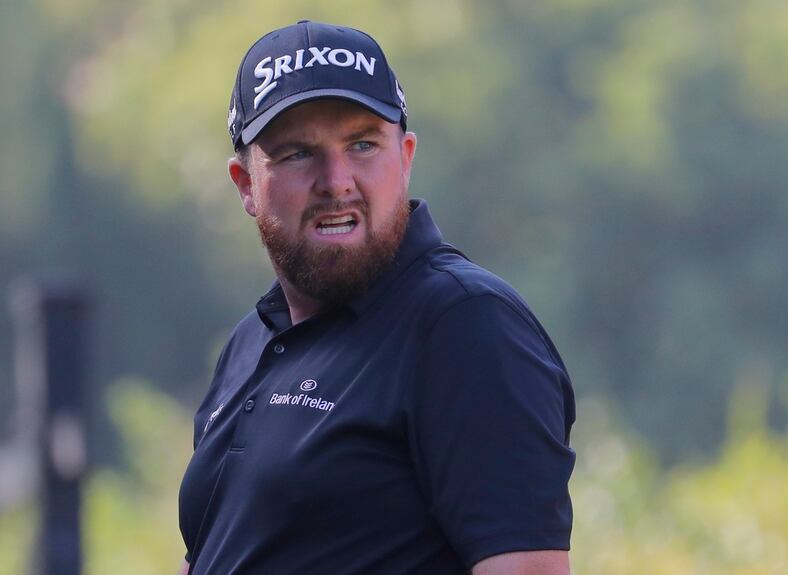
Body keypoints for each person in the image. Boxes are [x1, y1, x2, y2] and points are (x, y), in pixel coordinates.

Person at [178, 20, 575, 575]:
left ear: (406, 156)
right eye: (297, 154)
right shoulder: (252, 339)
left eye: (363, 144)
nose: (337, 180)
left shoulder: (464, 324)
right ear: (245, 184)